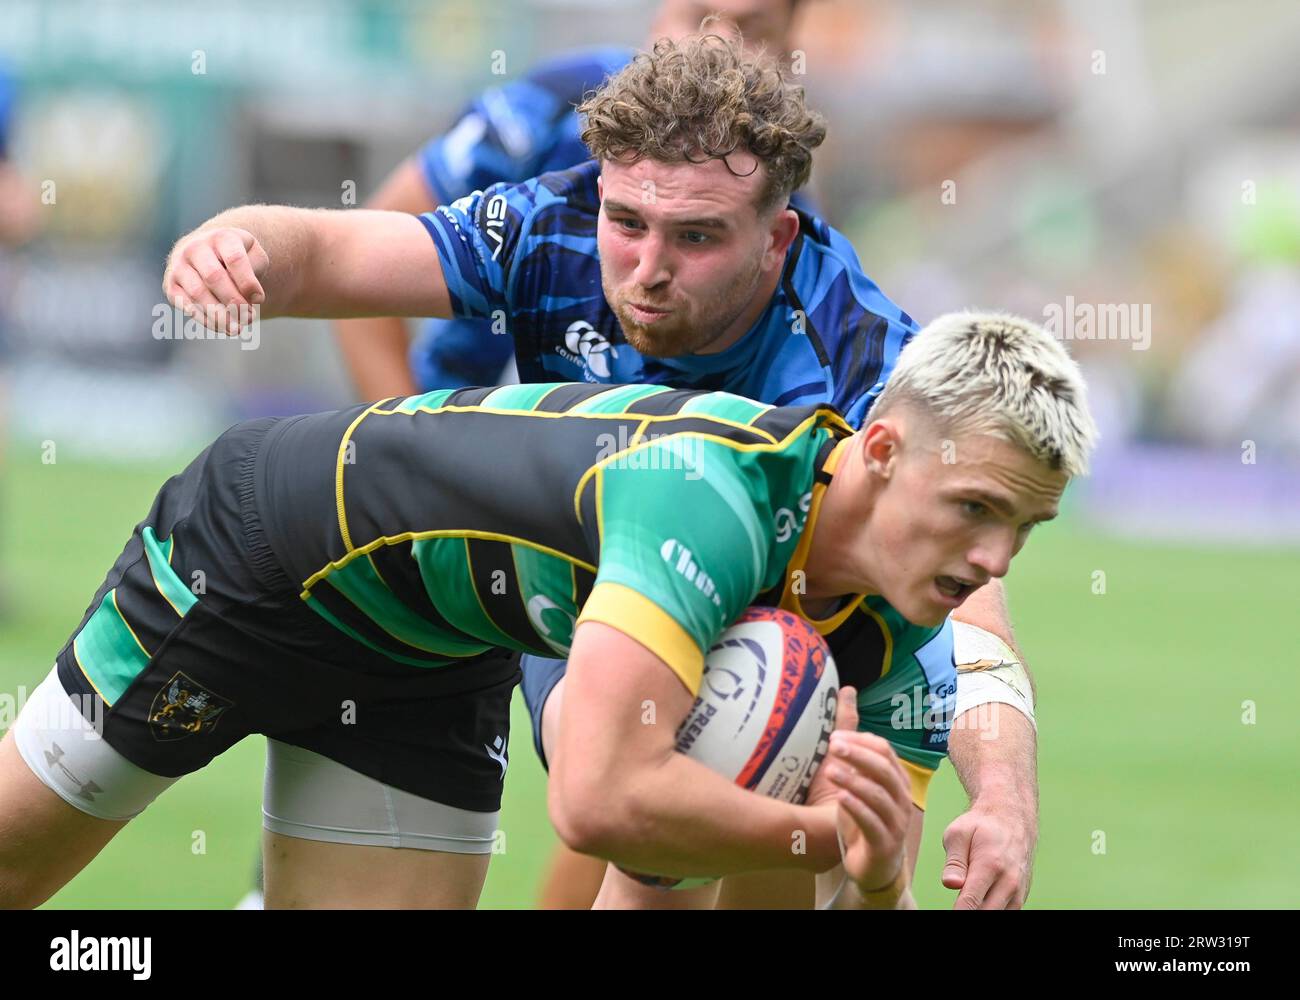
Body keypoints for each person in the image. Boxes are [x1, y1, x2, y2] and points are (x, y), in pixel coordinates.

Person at [163, 30, 1044, 909]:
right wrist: (238, 249)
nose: (651, 270)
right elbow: (335, 254)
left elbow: (972, 610)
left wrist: (1003, 801)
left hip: (775, 619)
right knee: (644, 799)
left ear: (774, 240)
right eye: (629, 225)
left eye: (696, 236)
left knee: (794, 826)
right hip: (580, 580)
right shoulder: (554, 222)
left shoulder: (854, 348)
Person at [0, 311, 1095, 909]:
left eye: (1024, 531)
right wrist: (819, 834)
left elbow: (756, 873)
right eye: (973, 509)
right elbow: (597, 799)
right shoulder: (710, 494)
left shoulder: (901, 650)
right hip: (258, 555)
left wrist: (877, 875)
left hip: (436, 654)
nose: (993, 558)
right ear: (884, 451)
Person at [335, 0, 811, 399]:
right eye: (699, 18)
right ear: (659, 19)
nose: (716, 44)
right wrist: (415, 462)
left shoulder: (780, 206)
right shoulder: (548, 109)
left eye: (752, 30)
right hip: (462, 435)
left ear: (790, 47)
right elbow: (358, 257)